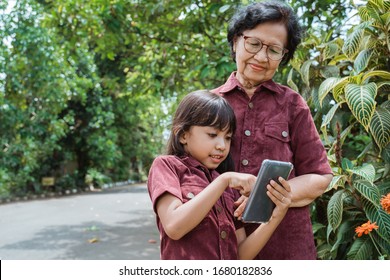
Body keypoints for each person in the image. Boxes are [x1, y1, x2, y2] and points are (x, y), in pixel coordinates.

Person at [212, 0, 333, 260]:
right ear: (235, 42)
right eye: (253, 44)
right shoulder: (208, 105)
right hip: (220, 245)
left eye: (274, 50)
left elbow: (319, 176)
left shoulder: (293, 105)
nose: (261, 57)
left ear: (284, 56)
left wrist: (263, 197)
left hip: (287, 249)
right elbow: (185, 173)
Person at [147, 90, 292, 260]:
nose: (222, 145)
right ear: (184, 134)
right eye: (213, 135)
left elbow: (239, 256)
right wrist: (225, 180)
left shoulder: (227, 187)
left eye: (228, 137)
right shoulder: (167, 166)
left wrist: (275, 215)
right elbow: (174, 226)